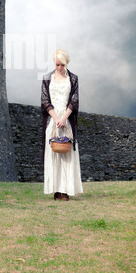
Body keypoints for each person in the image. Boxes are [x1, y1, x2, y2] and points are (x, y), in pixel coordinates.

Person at [41, 49, 83, 201]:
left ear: (66, 63)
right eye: (57, 64)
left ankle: (65, 190)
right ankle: (55, 190)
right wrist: (56, 118)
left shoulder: (73, 79)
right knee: (53, 154)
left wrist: (64, 118)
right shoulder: (47, 78)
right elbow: (45, 101)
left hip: (66, 119)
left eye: (62, 65)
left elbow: (74, 100)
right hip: (53, 120)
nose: (59, 67)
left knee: (66, 155)